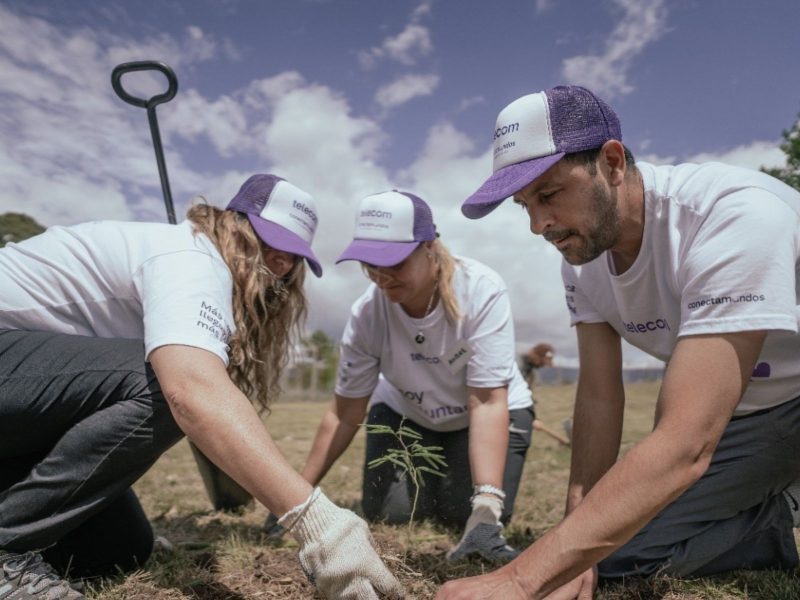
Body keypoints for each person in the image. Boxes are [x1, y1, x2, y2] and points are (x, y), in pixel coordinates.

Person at [437, 85, 800, 598]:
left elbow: (686, 444)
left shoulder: (733, 215)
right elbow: (600, 397)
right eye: (524, 205)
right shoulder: (581, 265)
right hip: (748, 414)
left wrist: (520, 579)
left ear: (610, 161)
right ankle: (776, 512)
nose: (540, 225)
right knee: (613, 552)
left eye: (549, 194)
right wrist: (572, 546)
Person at [0, 174, 403, 600]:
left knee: (121, 550)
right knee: (165, 382)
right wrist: (321, 527)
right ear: (233, 224)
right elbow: (190, 390)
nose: (280, 263)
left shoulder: (194, 264)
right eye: (268, 242)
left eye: (293, 255)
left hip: (22, 409)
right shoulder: (190, 258)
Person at [269, 189, 535, 562]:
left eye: (393, 262)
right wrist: (295, 494)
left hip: (482, 415)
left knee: (466, 514)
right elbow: (343, 414)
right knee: (390, 515)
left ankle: (460, 484)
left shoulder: (481, 290)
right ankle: (435, 477)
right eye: (369, 264)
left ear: (429, 247)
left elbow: (488, 401)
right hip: (407, 415)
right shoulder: (367, 315)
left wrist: (487, 503)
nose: (381, 276)